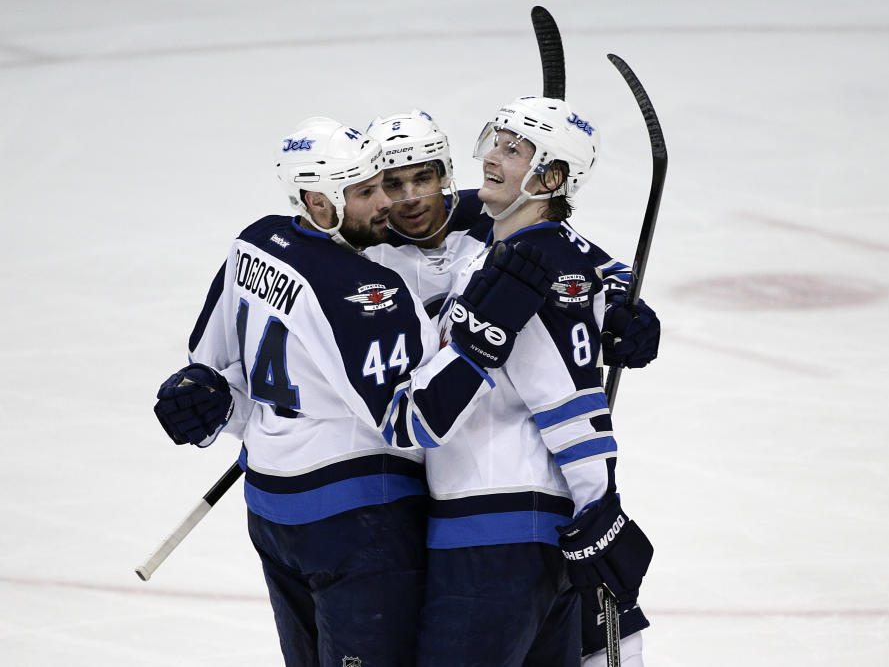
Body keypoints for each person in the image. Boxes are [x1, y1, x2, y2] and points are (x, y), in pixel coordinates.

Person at [151, 116, 552, 667]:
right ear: (320, 201)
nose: (387, 203)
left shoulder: (255, 243)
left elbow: (211, 367)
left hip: (271, 512)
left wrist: (213, 400)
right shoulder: (368, 291)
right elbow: (416, 423)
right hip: (360, 525)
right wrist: (485, 337)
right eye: (366, 192)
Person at [364, 97, 653, 666]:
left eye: (512, 149)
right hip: (522, 525)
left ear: (549, 175)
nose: (491, 159)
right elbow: (577, 255)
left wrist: (601, 506)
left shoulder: (521, 268)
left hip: (493, 532)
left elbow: (569, 400)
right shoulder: (518, 252)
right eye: (493, 143)